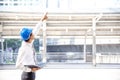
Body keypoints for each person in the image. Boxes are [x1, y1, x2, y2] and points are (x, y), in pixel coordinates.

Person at [16, 12, 48, 80]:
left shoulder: (29, 42)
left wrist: (42, 20)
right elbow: (17, 65)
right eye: (31, 33)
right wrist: (30, 70)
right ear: (29, 37)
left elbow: (36, 30)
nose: (33, 33)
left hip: (32, 74)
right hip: (27, 76)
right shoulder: (23, 49)